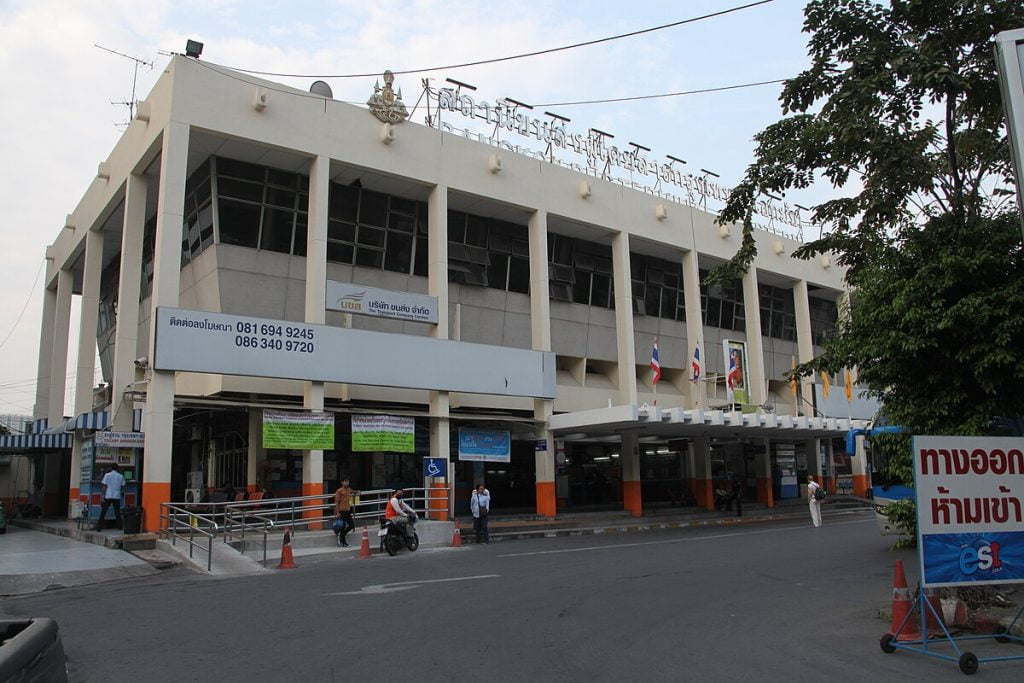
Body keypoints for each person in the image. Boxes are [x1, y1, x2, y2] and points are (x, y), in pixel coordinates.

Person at [95, 464, 126, 531]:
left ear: (111, 468)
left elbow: (104, 486)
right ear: (117, 469)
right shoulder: (120, 476)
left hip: (108, 495)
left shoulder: (107, 475)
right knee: (117, 512)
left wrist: (103, 495)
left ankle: (99, 527)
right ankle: (120, 526)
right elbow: (123, 485)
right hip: (116, 496)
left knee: (103, 511)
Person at [333, 478, 360, 547]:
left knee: (352, 525)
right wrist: (337, 512)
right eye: (345, 482)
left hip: (347, 510)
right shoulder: (339, 491)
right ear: (342, 482)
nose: (347, 483)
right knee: (343, 526)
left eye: (348, 481)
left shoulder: (349, 489)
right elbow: (337, 502)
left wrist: (357, 492)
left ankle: (342, 535)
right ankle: (344, 542)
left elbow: (353, 492)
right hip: (341, 511)